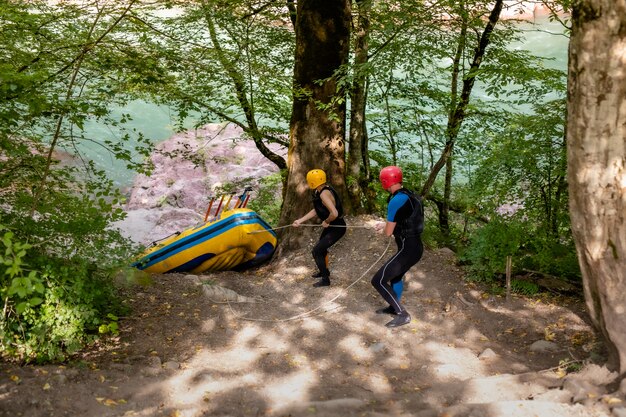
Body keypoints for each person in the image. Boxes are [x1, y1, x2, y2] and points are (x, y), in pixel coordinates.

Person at [371, 166, 424, 328]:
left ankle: (403, 314)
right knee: (395, 277)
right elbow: (402, 219)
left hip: (407, 249)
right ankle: (393, 308)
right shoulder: (407, 195)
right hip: (414, 247)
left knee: (378, 280)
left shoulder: (395, 200)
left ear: (386, 181)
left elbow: (388, 233)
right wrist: (383, 224)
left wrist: (384, 229)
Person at [293, 169, 346, 287]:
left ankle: (325, 280)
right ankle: (324, 271)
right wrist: (300, 221)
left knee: (316, 251)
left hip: (337, 227)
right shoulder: (321, 190)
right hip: (333, 226)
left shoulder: (323, 193)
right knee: (321, 249)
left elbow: (334, 213)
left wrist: (327, 221)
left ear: (311, 182)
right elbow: (316, 210)